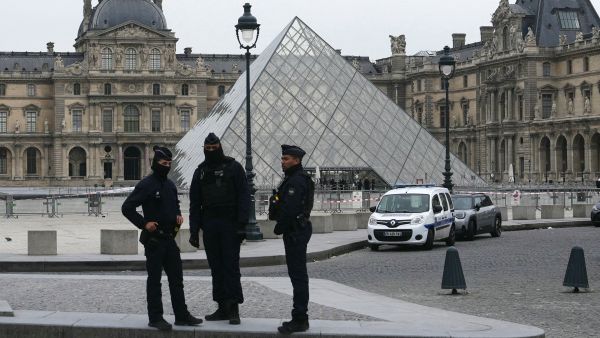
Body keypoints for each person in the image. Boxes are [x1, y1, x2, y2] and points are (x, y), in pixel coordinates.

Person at [122, 146, 202, 331]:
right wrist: (143, 224)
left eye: (169, 164)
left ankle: (181, 315)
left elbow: (174, 205)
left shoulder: (171, 185)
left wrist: (178, 216)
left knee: (177, 279)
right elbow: (127, 207)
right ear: (155, 163)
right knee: (154, 280)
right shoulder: (146, 184)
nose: (166, 166)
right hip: (154, 240)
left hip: (169, 238)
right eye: (163, 163)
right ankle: (155, 317)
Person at [188, 133, 250, 325]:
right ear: (204, 149)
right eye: (208, 149)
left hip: (230, 223)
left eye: (215, 148)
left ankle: (233, 308)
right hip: (210, 223)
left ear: (220, 147)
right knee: (216, 267)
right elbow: (194, 203)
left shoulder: (234, 167)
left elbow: (244, 197)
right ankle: (221, 306)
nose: (212, 151)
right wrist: (193, 231)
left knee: (231, 266)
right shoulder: (200, 172)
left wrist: (242, 226)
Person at [269, 145, 315, 334]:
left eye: (286, 158)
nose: (282, 161)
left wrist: (279, 227)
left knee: (298, 276)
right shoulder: (294, 178)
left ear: (296, 160)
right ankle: (299, 316)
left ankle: (300, 318)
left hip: (295, 231)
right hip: (297, 230)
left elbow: (290, 209)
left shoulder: (296, 181)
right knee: (297, 275)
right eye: (282, 158)